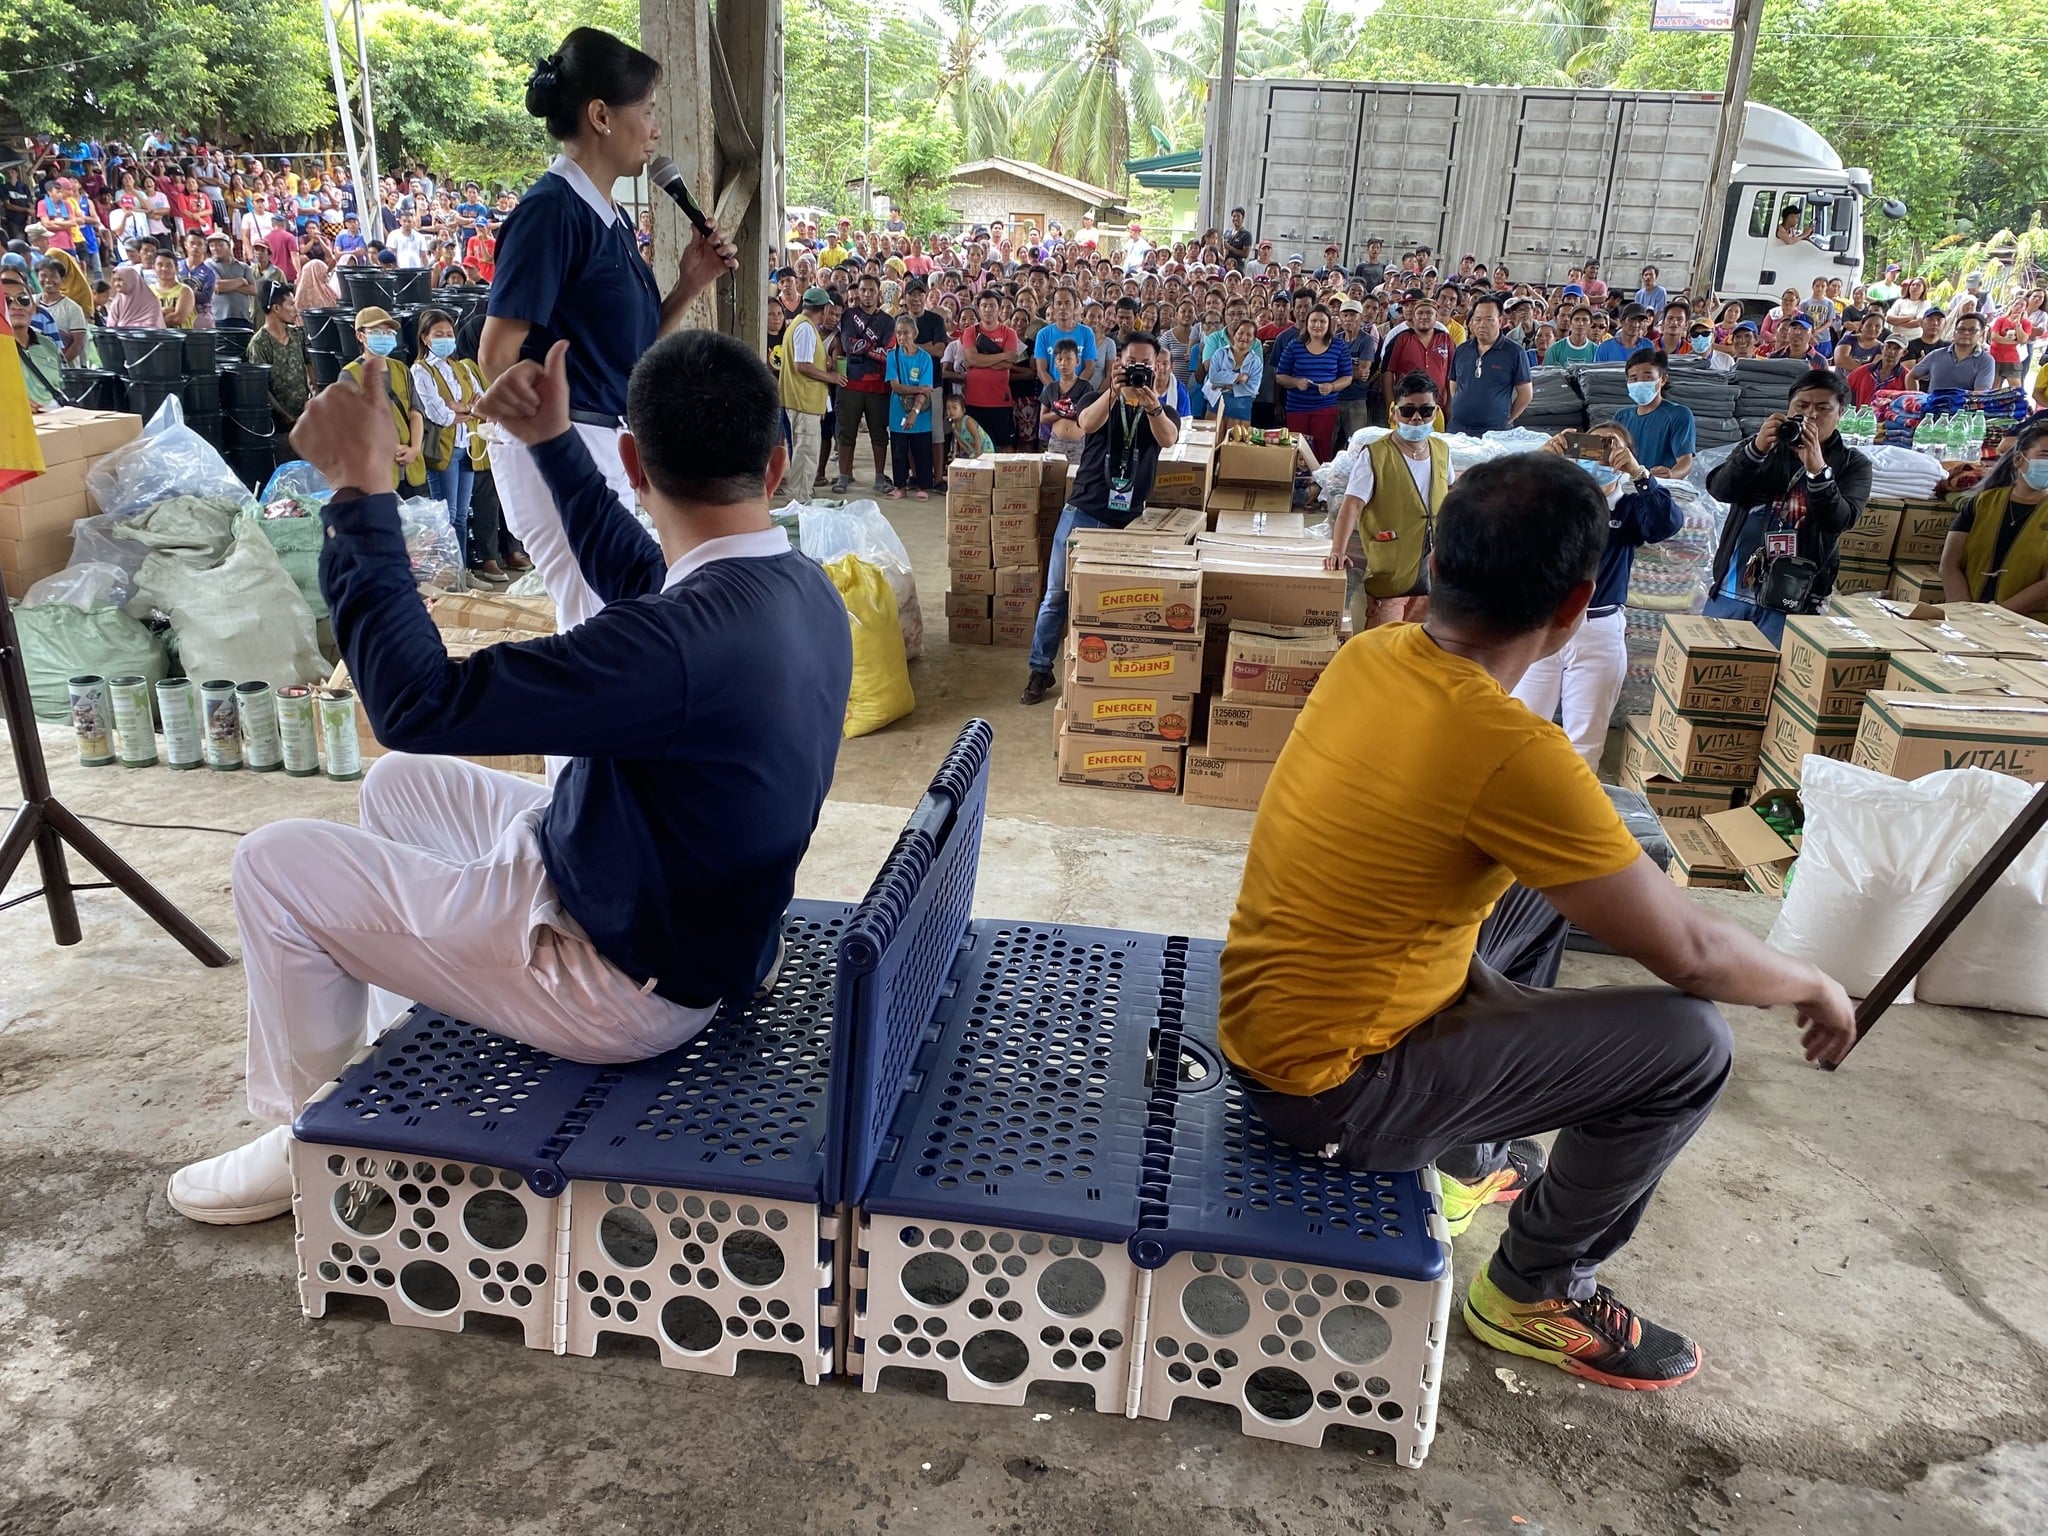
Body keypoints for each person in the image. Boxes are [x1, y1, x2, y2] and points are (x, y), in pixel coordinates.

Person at [165, 327, 853, 1226]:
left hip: (616, 982)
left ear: (635, 463)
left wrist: (360, 495)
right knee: (401, 786)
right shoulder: (795, 590)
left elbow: (415, 701)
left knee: (275, 866)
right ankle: (381, 1028)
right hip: (672, 909)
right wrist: (554, 443)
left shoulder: (676, 646)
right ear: (777, 465)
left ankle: (323, 1142)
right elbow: (641, 572)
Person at [1221, 449, 1855, 1391]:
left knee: (1551, 892)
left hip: (1274, 1028)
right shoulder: (1514, 750)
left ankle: (1466, 1158)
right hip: (1330, 1095)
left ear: (1437, 563)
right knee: (1690, 1042)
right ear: (1576, 606)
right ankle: (1532, 1290)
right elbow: (1690, 954)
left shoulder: (1373, 653)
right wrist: (1811, 980)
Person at [480, 27, 738, 634]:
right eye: (646, 111)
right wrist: (548, 434)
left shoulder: (610, 217)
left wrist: (688, 286)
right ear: (600, 115)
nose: (654, 129)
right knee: (604, 623)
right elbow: (498, 352)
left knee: (616, 615)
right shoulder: (551, 212)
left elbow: (629, 352)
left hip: (602, 438)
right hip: (562, 449)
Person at [1020, 336, 1181, 706]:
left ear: (1158, 367)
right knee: (1056, 596)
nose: (1140, 369)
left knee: (1115, 606)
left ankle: (1104, 674)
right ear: (1118, 364)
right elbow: (1086, 424)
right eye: (1131, 362)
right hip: (1083, 512)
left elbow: (1169, 440)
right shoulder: (1096, 398)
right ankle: (1040, 669)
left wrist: (1151, 403)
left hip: (1128, 525)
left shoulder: (1164, 411)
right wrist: (1113, 390)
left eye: (1147, 363)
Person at [1512, 424, 1681, 769]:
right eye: (1591, 445)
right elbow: (1501, 510)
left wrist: (1639, 473)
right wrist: (1536, 463)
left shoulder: (1631, 508)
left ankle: (1569, 810)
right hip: (1542, 623)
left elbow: (1666, 524)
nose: (1600, 454)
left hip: (1597, 627)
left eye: (1610, 447)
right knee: (1521, 727)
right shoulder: (1556, 500)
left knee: (1584, 741)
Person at [1704, 370, 1871, 644]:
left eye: (1823, 408)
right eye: (1802, 406)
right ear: (1788, 407)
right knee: (1714, 675)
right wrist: (1755, 451)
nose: (1811, 415)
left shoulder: (1853, 464)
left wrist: (1818, 470)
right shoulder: (1761, 447)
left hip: (1797, 601)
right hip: (1732, 589)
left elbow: (1839, 521)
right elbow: (1721, 490)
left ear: (1841, 412)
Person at [1325, 371, 1451, 635]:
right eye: (1408, 411)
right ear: (1394, 413)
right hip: (1390, 570)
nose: (1417, 418)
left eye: (1426, 410)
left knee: (1420, 642)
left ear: (1436, 412)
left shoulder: (1442, 450)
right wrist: (1338, 550)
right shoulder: (1375, 455)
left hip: (1430, 569)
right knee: (1382, 640)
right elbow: (1352, 506)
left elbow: (1449, 492)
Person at [1939, 417, 2048, 620]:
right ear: (2018, 460)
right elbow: (1949, 565)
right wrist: (1964, 613)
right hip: (1967, 619)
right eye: (2045, 455)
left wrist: (1996, 616)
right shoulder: (1983, 502)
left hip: (2031, 626)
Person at [413, 307, 492, 565]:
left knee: (459, 515)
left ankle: (462, 570)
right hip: (444, 451)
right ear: (425, 338)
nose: (446, 338)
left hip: (466, 445)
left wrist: (457, 406)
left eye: (449, 333)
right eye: (439, 334)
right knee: (446, 514)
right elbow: (438, 414)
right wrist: (463, 408)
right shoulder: (421, 371)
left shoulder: (461, 369)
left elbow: (481, 403)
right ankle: (449, 571)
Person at [342, 306, 427, 495]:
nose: (385, 336)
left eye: (389, 332)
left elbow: (416, 411)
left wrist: (414, 448)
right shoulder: (350, 375)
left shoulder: (401, 369)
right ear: (360, 336)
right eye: (376, 332)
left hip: (411, 469)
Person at [242, 278, 313, 466]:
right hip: (281, 427)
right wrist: (287, 417)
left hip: (305, 419)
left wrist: (314, 398)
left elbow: (310, 367)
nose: (295, 309)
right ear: (276, 308)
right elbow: (261, 389)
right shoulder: (259, 344)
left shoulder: (298, 335)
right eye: (290, 304)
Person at [1274, 304, 1353, 460]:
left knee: (1322, 449)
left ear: (1329, 324)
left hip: (1325, 407)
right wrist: (1296, 382)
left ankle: (1319, 482)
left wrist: (1332, 386)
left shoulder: (1339, 346)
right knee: (1297, 450)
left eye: (1322, 321)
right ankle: (1297, 483)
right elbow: (1280, 376)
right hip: (1297, 407)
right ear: (1307, 322)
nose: (1317, 325)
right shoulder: (1294, 346)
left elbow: (1347, 377)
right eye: (1314, 321)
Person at [1447, 295, 1532, 437]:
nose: (1482, 324)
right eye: (1478, 319)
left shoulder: (1514, 352)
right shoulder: (1461, 350)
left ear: (1499, 321)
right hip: (1457, 429)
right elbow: (1454, 384)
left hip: (1494, 432)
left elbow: (1526, 394)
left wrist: (1507, 420)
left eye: (1489, 319)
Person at [777, 286, 834, 499]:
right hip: (803, 402)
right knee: (805, 456)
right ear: (825, 308)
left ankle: (801, 497)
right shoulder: (806, 328)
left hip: (802, 401)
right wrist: (831, 377)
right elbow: (802, 365)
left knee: (805, 454)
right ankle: (799, 502)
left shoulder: (800, 325)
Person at [957, 288, 1022, 453]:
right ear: (978, 309)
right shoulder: (970, 332)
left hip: (1000, 400)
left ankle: (1005, 479)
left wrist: (981, 361)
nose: (988, 310)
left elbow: (1009, 364)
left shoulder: (1009, 333)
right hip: (974, 400)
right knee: (975, 445)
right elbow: (971, 359)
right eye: (984, 306)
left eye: (992, 306)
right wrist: (1002, 356)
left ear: (999, 308)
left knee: (1006, 445)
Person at [1612, 349, 1694, 478]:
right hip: (1625, 485)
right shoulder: (1622, 416)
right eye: (1633, 379)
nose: (1639, 383)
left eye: (1647, 377)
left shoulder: (1678, 414)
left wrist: (1672, 474)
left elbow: (1685, 460)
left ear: (1663, 379)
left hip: (1659, 486)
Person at [883, 310, 937, 499]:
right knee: (898, 450)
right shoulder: (892, 356)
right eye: (898, 332)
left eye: (906, 332)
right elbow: (896, 387)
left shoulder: (924, 358)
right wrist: (919, 390)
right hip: (898, 411)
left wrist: (915, 411)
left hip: (921, 413)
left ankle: (924, 486)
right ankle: (900, 486)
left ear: (914, 334)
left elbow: (926, 388)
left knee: (921, 450)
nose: (901, 337)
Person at [5, 272, 66, 407]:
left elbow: (63, 387)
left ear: (33, 307)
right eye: (6, 301)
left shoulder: (49, 345)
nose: (16, 306)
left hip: (57, 421)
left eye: (23, 299)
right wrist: (12, 405)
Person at [1039, 336, 1095, 466]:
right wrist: (1060, 412)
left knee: (1075, 478)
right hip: (1056, 442)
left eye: (1069, 359)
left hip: (1078, 442)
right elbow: (1043, 417)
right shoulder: (1051, 388)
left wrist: (1070, 411)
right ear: (1055, 363)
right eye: (1060, 359)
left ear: (1077, 361)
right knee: (1055, 480)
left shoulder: (1085, 386)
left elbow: (1088, 415)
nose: (1064, 363)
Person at [1911, 311, 1996, 394]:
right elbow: (1911, 376)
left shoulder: (1986, 361)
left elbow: (1980, 393)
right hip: (1933, 407)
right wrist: (1915, 399)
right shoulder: (1936, 355)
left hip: (1964, 407)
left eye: (1972, 330)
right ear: (1954, 333)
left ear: (1981, 334)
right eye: (1961, 329)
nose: (1966, 333)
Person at [1204, 316, 1261, 423]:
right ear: (1234, 335)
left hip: (1241, 410)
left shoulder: (1256, 362)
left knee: (1237, 439)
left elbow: (1253, 388)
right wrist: (1238, 377)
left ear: (1254, 339)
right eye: (1240, 333)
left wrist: (1225, 385)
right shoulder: (1220, 353)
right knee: (1212, 438)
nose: (1244, 337)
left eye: (1249, 335)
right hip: (1215, 406)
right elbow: (1213, 378)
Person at [34, 259, 91, 363]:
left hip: (64, 370)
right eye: (43, 276)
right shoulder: (30, 303)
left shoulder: (73, 309)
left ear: (62, 280)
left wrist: (59, 365)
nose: (48, 280)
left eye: (53, 276)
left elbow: (78, 344)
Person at [1846, 337, 1908, 406]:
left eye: (1896, 349)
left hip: (1889, 416)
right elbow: (1843, 387)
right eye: (1888, 347)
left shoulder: (1906, 376)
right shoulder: (1863, 371)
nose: (1891, 351)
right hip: (1862, 415)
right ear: (1882, 348)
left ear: (1904, 353)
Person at [104, 263, 163, 328]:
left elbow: (151, 325)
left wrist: (125, 328)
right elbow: (111, 324)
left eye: (120, 280)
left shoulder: (151, 302)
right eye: (115, 280)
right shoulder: (118, 300)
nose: (116, 284)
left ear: (131, 280)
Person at [149, 251, 195, 328]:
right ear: (154, 267)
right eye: (160, 265)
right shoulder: (148, 291)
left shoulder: (185, 291)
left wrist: (154, 317)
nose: (164, 268)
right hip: (155, 338)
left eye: (169, 265)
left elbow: (178, 318)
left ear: (176, 269)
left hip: (181, 337)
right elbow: (142, 316)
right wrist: (165, 311)